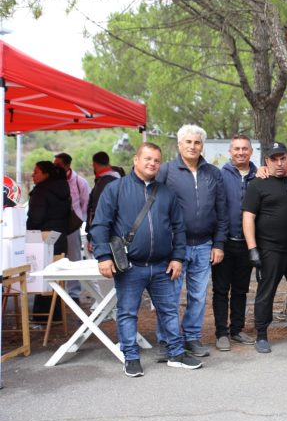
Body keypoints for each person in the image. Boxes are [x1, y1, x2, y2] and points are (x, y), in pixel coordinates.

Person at [91, 143, 201, 377]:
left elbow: (179, 228)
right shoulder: (115, 189)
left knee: (169, 311)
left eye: (156, 160)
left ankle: (176, 354)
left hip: (162, 265)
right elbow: (100, 224)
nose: (152, 164)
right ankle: (131, 357)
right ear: (136, 160)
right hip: (130, 266)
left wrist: (177, 258)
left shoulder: (166, 193)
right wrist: (103, 256)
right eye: (148, 159)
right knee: (127, 313)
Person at [154, 125, 228, 359]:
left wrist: (219, 244)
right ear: (179, 144)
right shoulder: (166, 171)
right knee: (170, 296)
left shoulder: (213, 173)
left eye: (197, 142)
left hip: (205, 245)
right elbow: (154, 208)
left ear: (202, 146)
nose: (192, 146)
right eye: (188, 142)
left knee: (198, 295)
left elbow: (222, 211)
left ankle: (192, 337)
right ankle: (167, 340)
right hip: (174, 247)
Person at [242, 142, 287, 354]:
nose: (279, 163)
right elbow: (248, 217)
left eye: (282, 158)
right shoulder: (258, 184)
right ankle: (261, 335)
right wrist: (252, 248)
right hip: (269, 249)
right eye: (274, 159)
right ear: (266, 161)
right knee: (266, 293)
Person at [212, 134, 258, 350]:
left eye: (244, 148)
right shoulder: (220, 176)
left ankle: (237, 329)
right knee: (221, 289)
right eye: (236, 149)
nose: (240, 152)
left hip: (248, 244)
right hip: (224, 243)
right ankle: (221, 332)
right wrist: (217, 243)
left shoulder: (259, 176)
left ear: (251, 151)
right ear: (230, 152)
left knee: (241, 289)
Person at [26, 161, 71, 319]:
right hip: (60, 236)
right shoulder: (64, 188)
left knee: (43, 275)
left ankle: (42, 315)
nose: (33, 175)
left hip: (43, 238)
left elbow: (35, 218)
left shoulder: (41, 191)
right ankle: (56, 315)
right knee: (55, 276)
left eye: (36, 171)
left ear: (46, 174)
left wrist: (28, 232)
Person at [54, 152, 90, 303]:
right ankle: (55, 292)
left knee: (73, 258)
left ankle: (74, 293)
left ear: (67, 165)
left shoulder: (80, 182)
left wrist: (79, 220)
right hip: (55, 225)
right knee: (53, 258)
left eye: (58, 165)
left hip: (72, 226)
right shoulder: (53, 181)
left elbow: (86, 203)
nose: (55, 167)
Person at [86, 151, 122, 253]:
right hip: (116, 233)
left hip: (105, 236)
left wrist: (93, 237)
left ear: (94, 164)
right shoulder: (118, 179)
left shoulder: (104, 183)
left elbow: (98, 212)